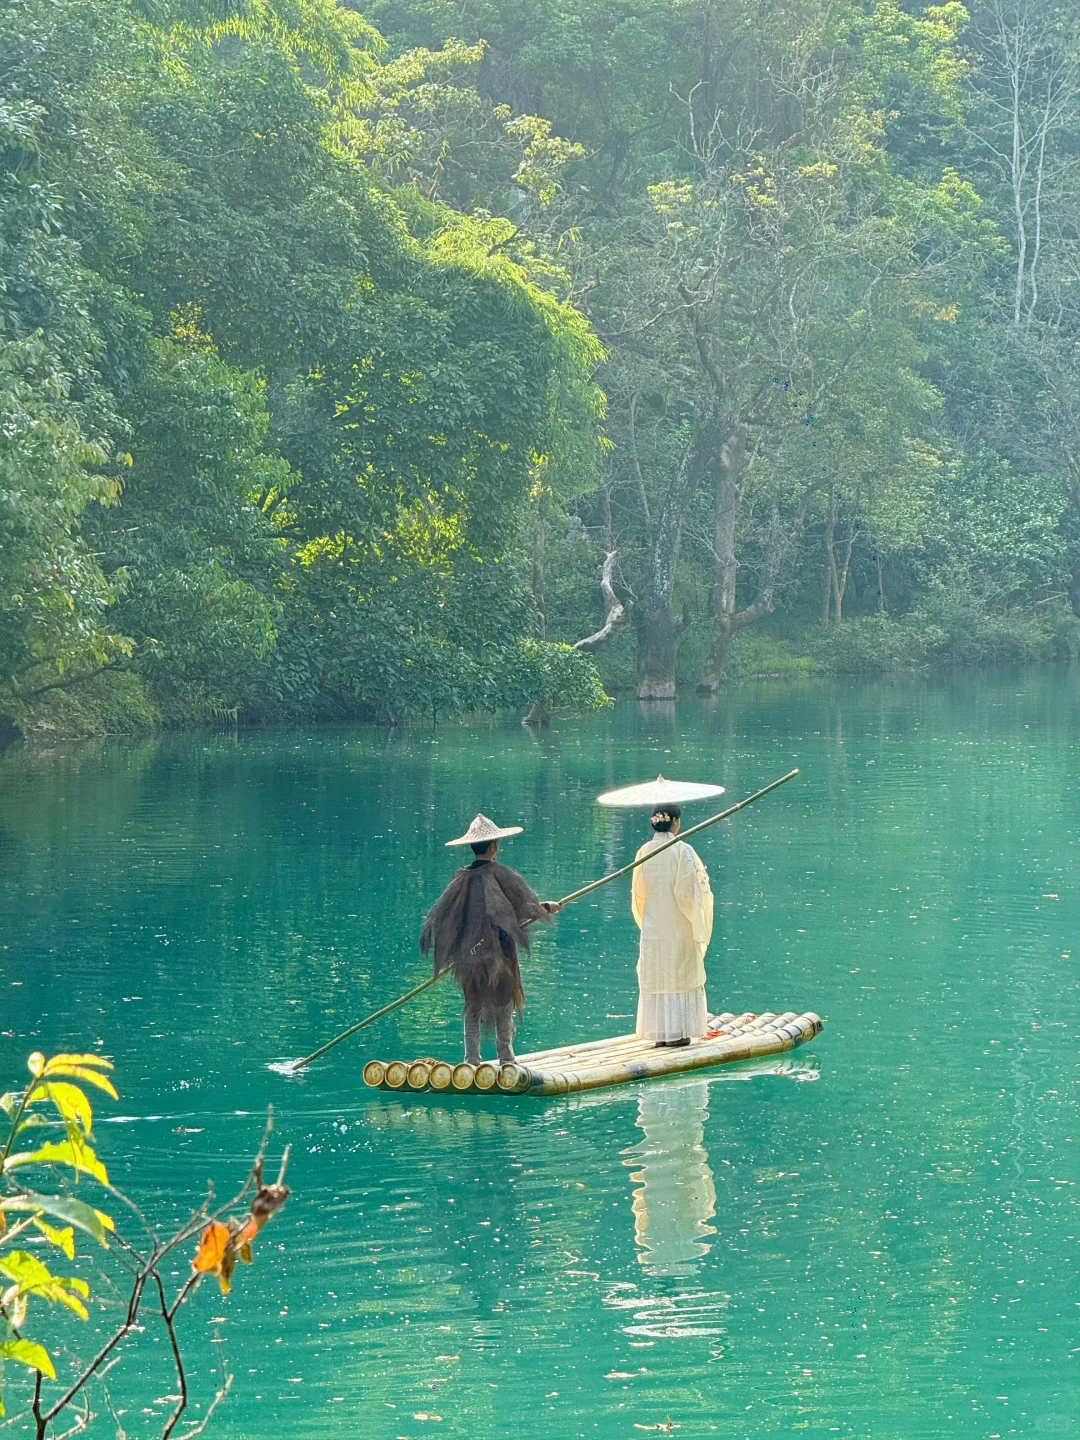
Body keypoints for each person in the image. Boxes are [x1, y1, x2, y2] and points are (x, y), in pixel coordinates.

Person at [420, 814, 562, 1066]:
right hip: (500, 953)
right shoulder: (502, 874)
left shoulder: (460, 878)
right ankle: (506, 1058)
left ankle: (471, 1060)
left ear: (473, 847)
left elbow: (442, 915)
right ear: (495, 845)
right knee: (503, 1003)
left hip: (469, 955)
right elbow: (525, 906)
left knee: (472, 1007)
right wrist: (546, 907)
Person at [631, 803, 713, 1047]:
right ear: (675, 821)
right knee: (680, 974)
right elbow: (691, 893)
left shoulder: (644, 850)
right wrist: (699, 916)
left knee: (659, 974)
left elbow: (638, 893)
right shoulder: (682, 850)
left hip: (653, 924)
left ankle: (659, 1033)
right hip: (679, 925)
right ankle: (680, 1032)